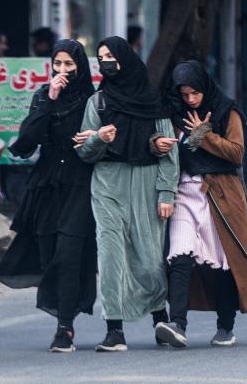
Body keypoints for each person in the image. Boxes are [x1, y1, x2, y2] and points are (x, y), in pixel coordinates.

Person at [75, 36, 178, 352]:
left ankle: (161, 319)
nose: (106, 62)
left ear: (126, 59)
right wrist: (100, 139)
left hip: (147, 184)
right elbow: (85, 153)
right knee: (110, 257)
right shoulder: (98, 103)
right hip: (108, 185)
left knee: (149, 258)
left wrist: (166, 194)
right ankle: (114, 330)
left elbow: (169, 152)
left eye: (111, 56)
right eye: (101, 56)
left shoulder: (153, 102)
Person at [0, 39, 97, 353]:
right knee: (51, 253)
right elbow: (26, 143)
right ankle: (64, 314)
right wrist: (50, 100)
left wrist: (95, 137)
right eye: (58, 64)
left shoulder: (94, 100)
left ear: (80, 66)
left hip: (81, 183)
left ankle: (64, 327)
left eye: (69, 64)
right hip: (47, 185)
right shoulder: (43, 96)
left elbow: (107, 139)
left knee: (69, 251)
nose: (63, 71)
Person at [152, 60, 247, 348]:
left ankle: (226, 327)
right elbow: (175, 149)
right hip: (184, 190)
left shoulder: (226, 110)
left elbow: (236, 153)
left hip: (219, 193)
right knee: (179, 254)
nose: (190, 99)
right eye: (184, 94)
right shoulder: (175, 111)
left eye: (194, 93)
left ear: (204, 86)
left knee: (222, 260)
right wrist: (156, 143)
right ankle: (178, 324)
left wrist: (204, 133)